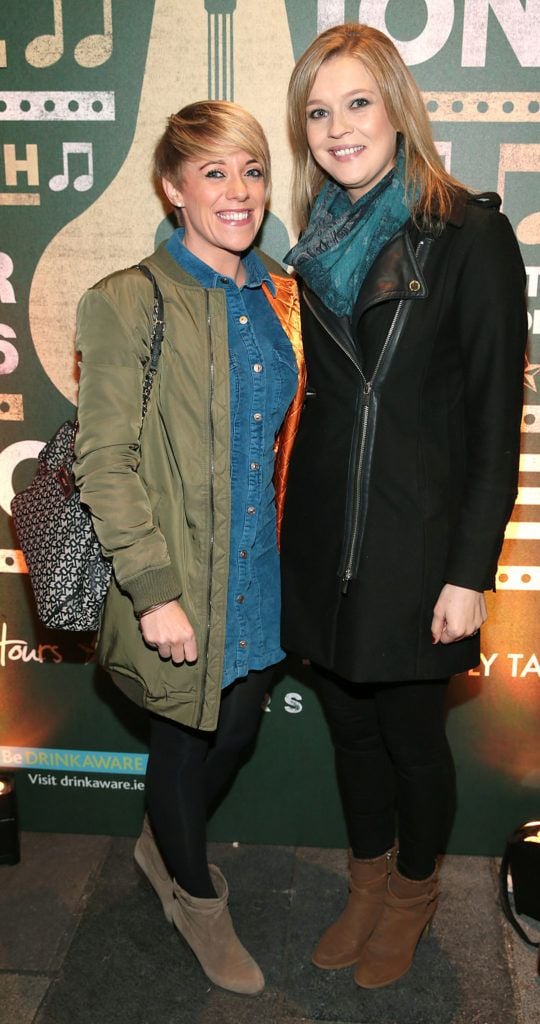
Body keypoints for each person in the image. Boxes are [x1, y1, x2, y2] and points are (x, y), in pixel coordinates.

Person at [281, 23, 527, 989]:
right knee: (348, 732)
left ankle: (416, 895)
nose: (338, 128)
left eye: (356, 102)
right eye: (316, 111)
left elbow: (495, 422)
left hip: (419, 546)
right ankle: (368, 880)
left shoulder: (469, 233)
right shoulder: (312, 245)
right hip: (322, 537)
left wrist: (471, 570)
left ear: (396, 107)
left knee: (413, 741)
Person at [73, 100, 304, 996]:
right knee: (182, 739)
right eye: (213, 172)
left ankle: (164, 841)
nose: (238, 190)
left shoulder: (277, 292)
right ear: (172, 189)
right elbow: (106, 460)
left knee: (236, 729)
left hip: (260, 568)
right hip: (176, 577)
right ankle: (194, 896)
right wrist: (154, 588)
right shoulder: (127, 301)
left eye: (250, 170)